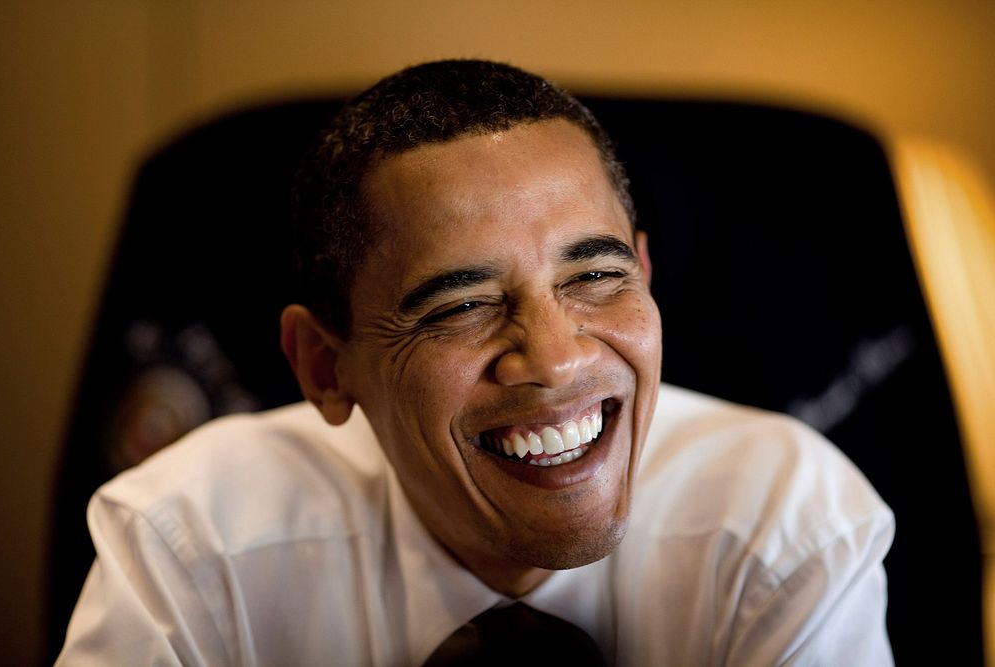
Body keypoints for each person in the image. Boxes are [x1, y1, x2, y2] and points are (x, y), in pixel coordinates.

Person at [56, 59, 894, 665]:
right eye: (460, 305)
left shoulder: (784, 524)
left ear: (645, 273)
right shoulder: (190, 542)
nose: (558, 359)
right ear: (322, 366)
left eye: (596, 276)